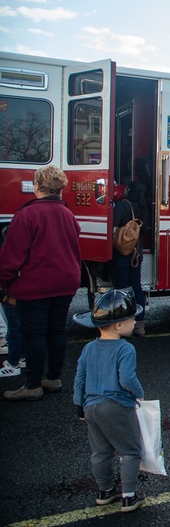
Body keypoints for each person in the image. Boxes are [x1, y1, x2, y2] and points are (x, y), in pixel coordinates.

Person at [0, 165, 82, 401]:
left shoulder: (26, 215)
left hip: (35, 285)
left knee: (33, 333)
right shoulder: (68, 213)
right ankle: (54, 378)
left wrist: (2, 282)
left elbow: (11, 257)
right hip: (66, 282)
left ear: (36, 186)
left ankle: (33, 384)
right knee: (56, 330)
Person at [71, 289, 147, 512]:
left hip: (91, 406)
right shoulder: (125, 348)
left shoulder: (88, 348)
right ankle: (129, 496)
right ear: (118, 325)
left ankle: (105, 491)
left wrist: (79, 406)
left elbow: (79, 379)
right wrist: (139, 393)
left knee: (101, 452)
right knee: (130, 451)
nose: (135, 321)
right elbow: (127, 378)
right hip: (116, 406)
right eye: (132, 318)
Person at [111, 182, 149, 337]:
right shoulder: (143, 207)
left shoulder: (122, 205)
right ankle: (139, 326)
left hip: (122, 251)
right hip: (137, 250)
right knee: (136, 287)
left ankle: (123, 325)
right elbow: (145, 229)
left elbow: (112, 223)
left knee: (122, 289)